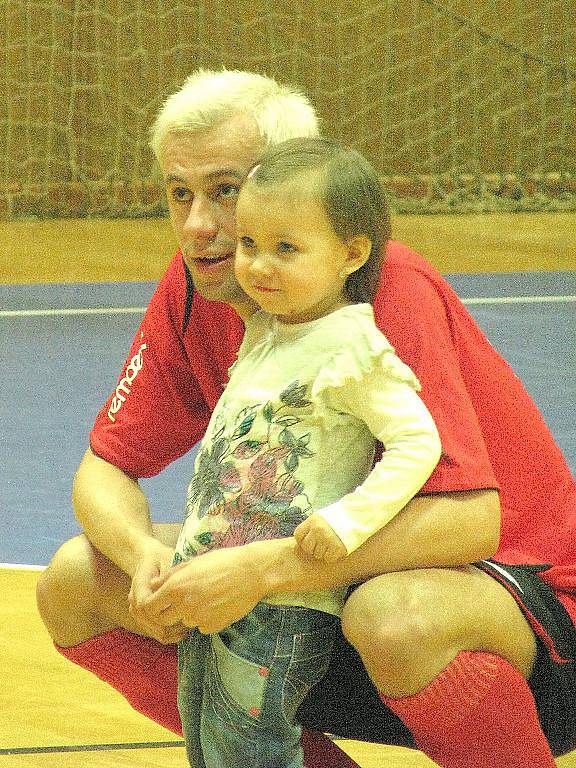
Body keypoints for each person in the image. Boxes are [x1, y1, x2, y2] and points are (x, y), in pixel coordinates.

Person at [36, 69, 576, 768]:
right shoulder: (198, 286)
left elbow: (470, 522)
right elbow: (105, 468)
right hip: (316, 601)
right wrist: (146, 559)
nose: (199, 225)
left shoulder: (383, 290)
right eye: (179, 194)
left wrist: (262, 571)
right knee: (78, 579)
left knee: (393, 617)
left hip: (528, 611)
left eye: (225, 192)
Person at [167, 137, 441, 767]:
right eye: (249, 245)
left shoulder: (351, 344)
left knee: (250, 746)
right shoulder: (266, 336)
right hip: (220, 594)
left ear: (351, 254)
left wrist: (347, 523)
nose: (260, 266)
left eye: (285, 249)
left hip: (283, 608)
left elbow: (415, 441)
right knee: (208, 745)